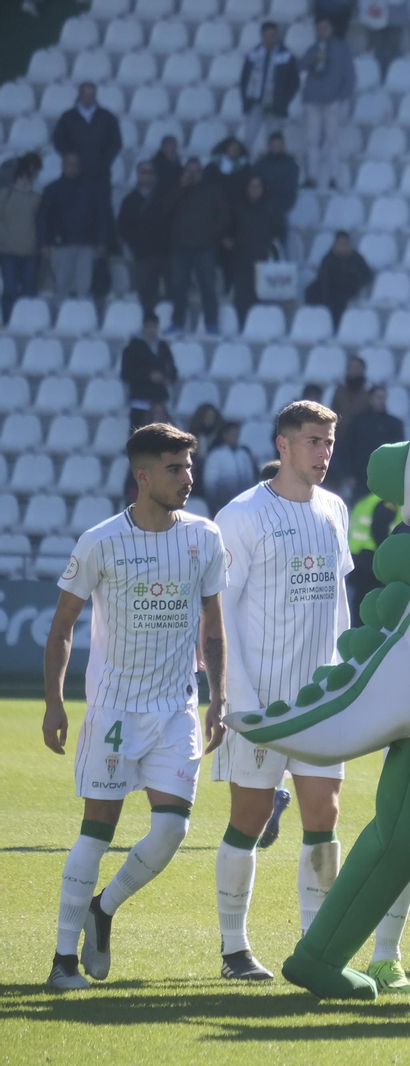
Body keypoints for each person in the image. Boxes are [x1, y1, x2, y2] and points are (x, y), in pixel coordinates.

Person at [42, 423, 228, 991]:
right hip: (114, 711)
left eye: (190, 467)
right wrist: (54, 702)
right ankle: (62, 961)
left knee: (172, 829)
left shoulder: (204, 536)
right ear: (141, 475)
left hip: (177, 707)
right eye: (175, 469)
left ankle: (105, 908)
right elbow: (62, 629)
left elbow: (213, 629)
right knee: (95, 834)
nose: (188, 478)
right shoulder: (101, 540)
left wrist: (218, 697)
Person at [207, 403, 369, 981]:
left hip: (319, 697)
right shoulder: (241, 515)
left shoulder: (335, 509)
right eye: (311, 442)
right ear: (282, 444)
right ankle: (233, 949)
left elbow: (339, 600)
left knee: (323, 813)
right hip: (258, 702)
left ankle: (313, 944)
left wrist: (346, 671)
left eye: (329, 442)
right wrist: (234, 700)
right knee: (248, 818)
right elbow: (220, 611)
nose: (323, 453)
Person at [165, 160, 230, 337]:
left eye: (196, 171)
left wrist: (210, 234)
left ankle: (211, 323)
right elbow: (165, 209)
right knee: (179, 287)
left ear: (202, 172)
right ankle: (177, 322)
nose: (193, 174)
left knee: (208, 287)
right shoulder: (176, 189)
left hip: (205, 248)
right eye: (189, 171)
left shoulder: (212, 191)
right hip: (181, 248)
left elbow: (223, 217)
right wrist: (181, 187)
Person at [38, 153, 110, 300]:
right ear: (63, 166)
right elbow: (42, 218)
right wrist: (43, 243)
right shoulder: (52, 189)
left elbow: (103, 216)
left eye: (75, 165)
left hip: (87, 245)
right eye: (69, 165)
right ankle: (59, 317)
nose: (72, 168)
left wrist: (102, 241)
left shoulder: (93, 189)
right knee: (61, 284)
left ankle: (83, 316)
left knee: (84, 285)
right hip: (61, 245)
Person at [300, 16, 355, 191]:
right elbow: (300, 66)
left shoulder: (341, 48)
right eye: (319, 28)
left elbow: (350, 75)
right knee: (312, 139)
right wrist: (313, 58)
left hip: (332, 100)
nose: (322, 31)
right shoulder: (312, 49)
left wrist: (342, 96)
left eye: (325, 28)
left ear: (331, 29)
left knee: (332, 140)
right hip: (312, 99)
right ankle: (312, 176)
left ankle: (333, 177)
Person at [226, 175, 286, 322]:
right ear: (247, 189)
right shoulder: (238, 208)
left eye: (258, 186)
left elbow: (280, 233)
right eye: (252, 186)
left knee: (263, 298)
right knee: (242, 297)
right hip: (242, 260)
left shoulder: (271, 208)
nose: (255, 190)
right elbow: (229, 230)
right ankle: (242, 327)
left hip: (264, 261)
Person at [239, 22, 300, 155]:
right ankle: (243, 170)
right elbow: (244, 80)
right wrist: (246, 102)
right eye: (266, 36)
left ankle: (272, 171)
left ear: (277, 36)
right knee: (248, 139)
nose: (269, 39)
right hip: (255, 102)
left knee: (274, 141)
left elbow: (294, 82)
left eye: (272, 36)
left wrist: (283, 101)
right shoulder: (253, 55)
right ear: (261, 36)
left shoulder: (287, 55)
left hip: (276, 105)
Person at [117, 161, 167, 317]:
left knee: (167, 293)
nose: (147, 175)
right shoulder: (129, 200)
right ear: (138, 175)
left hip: (164, 253)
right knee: (145, 292)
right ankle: (148, 323)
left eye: (150, 172)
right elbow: (122, 227)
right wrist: (135, 245)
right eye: (143, 172)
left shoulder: (164, 197)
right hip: (141, 255)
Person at [52, 83, 122, 191]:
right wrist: (69, 158)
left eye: (92, 95)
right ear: (80, 95)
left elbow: (116, 142)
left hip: (100, 173)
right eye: (86, 94)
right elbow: (58, 139)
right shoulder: (68, 117)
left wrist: (104, 162)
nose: (89, 98)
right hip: (73, 172)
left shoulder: (107, 117)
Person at [0, 152, 42, 322]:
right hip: (8, 250)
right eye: (21, 177)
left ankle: (26, 320)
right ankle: (9, 320)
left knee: (29, 290)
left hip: (30, 252)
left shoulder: (38, 199)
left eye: (28, 178)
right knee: (10, 289)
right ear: (15, 178)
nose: (24, 180)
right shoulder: (4, 196)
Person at [121, 313, 179, 432]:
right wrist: (148, 376)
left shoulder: (163, 347)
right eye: (149, 327)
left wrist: (168, 378)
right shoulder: (132, 348)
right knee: (137, 434)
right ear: (143, 327)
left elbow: (172, 370)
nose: (151, 330)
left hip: (159, 399)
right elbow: (126, 374)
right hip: (140, 399)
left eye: (154, 327)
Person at [305, 231, 373, 327]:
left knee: (338, 302)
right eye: (340, 244)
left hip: (346, 288)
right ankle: (313, 320)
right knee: (311, 291)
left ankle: (335, 326)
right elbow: (322, 277)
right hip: (330, 287)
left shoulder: (356, 258)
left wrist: (355, 282)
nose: (342, 247)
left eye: (345, 244)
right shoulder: (328, 258)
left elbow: (367, 275)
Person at [201, 421, 256, 510]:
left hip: (245, 503)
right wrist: (213, 503)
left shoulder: (244, 455)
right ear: (225, 435)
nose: (235, 438)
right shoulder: (215, 455)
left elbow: (250, 479)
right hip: (223, 503)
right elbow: (209, 482)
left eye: (237, 435)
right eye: (232, 435)